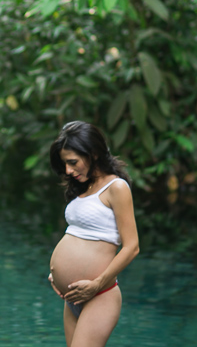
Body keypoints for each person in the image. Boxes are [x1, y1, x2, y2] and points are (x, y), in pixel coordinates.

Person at [47, 121, 139, 347]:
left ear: (94, 154)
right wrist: (56, 274)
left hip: (100, 295)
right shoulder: (84, 189)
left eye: (73, 162)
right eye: (65, 164)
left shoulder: (116, 188)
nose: (68, 171)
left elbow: (132, 247)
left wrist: (97, 284)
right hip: (73, 297)